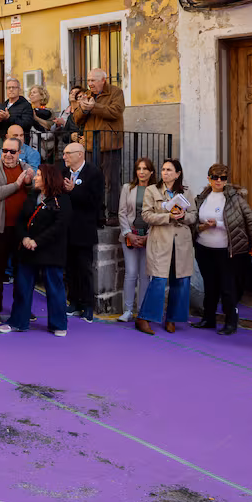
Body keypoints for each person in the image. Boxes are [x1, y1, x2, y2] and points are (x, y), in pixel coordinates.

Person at [192, 163, 252, 335]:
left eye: (223, 178)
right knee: (209, 286)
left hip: (227, 250)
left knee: (227, 287)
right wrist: (201, 227)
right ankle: (208, 318)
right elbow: (193, 221)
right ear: (209, 178)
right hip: (204, 248)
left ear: (226, 180)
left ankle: (230, 321)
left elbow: (250, 224)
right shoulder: (202, 197)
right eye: (215, 177)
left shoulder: (236, 199)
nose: (219, 181)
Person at [4, 164, 71, 336]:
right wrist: (25, 238)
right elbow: (21, 220)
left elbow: (59, 226)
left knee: (54, 288)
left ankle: (58, 325)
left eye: (39, 175)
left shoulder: (61, 199)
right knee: (22, 286)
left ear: (48, 178)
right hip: (28, 249)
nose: (35, 178)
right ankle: (18, 321)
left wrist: (37, 241)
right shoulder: (32, 195)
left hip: (51, 251)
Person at [135, 159, 197, 334]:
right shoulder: (152, 190)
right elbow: (146, 215)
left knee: (181, 281)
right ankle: (144, 318)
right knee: (159, 280)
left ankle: (172, 319)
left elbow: (194, 216)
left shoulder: (186, 192)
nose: (165, 173)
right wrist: (169, 216)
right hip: (160, 241)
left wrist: (183, 215)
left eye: (169, 170)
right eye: (163, 169)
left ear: (177, 174)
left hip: (181, 243)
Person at [0, 136, 34, 324]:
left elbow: (37, 190)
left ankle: (22, 308)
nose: (8, 155)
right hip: (0, 228)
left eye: (12, 151)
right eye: (5, 151)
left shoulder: (27, 169)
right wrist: (17, 185)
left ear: (19, 153)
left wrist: (28, 183)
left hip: (22, 229)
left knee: (23, 271)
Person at [61, 142, 105, 321]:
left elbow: (95, 201)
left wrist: (74, 190)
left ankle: (87, 305)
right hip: (67, 229)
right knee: (70, 268)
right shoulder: (63, 173)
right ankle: (73, 302)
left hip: (84, 229)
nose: (64, 157)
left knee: (84, 268)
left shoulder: (94, 174)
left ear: (79, 154)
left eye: (67, 154)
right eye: (64, 154)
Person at [75, 68, 125, 221]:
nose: (90, 84)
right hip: (91, 145)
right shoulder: (87, 95)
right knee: (92, 182)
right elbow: (76, 119)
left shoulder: (116, 92)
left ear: (103, 80)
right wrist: (83, 109)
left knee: (112, 182)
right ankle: (97, 214)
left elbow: (116, 112)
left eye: (93, 80)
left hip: (110, 144)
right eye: (88, 80)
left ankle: (113, 215)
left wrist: (94, 107)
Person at [118, 158, 154, 322]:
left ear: (151, 172)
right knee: (131, 273)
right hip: (130, 236)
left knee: (145, 275)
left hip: (149, 237)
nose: (142, 171)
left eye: (145, 169)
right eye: (139, 168)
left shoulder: (156, 190)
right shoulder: (128, 188)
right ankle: (127, 310)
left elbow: (157, 215)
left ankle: (142, 311)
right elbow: (122, 212)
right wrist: (128, 234)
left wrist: (148, 236)